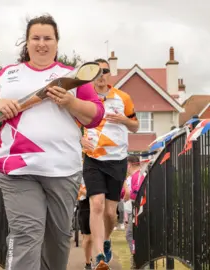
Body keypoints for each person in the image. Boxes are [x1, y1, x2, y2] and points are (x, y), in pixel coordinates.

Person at [0, 14, 104, 270]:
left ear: (57, 42)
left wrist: (70, 102)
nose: (41, 43)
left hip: (62, 169)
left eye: (48, 38)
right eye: (36, 38)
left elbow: (95, 116)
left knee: (58, 240)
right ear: (27, 42)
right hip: (17, 169)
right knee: (26, 234)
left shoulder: (72, 76)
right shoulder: (7, 75)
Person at [81, 58, 139, 269]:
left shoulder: (123, 97)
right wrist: (80, 139)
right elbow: (72, 124)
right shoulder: (85, 98)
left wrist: (123, 119)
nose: (101, 75)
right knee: (96, 205)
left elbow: (135, 126)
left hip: (117, 160)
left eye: (104, 71)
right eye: (96, 72)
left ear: (109, 74)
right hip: (93, 158)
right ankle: (98, 257)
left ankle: (105, 240)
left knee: (109, 213)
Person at [121, 155, 145, 269]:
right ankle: (136, 259)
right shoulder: (132, 177)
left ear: (129, 164)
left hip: (137, 211)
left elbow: (137, 193)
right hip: (133, 211)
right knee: (132, 235)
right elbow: (123, 192)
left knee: (131, 235)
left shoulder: (139, 176)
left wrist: (127, 195)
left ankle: (137, 259)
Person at [77, 178, 93, 270]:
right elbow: (80, 190)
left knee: (92, 237)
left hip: (96, 204)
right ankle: (88, 264)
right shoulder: (80, 171)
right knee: (88, 238)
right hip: (85, 205)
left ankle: (90, 257)